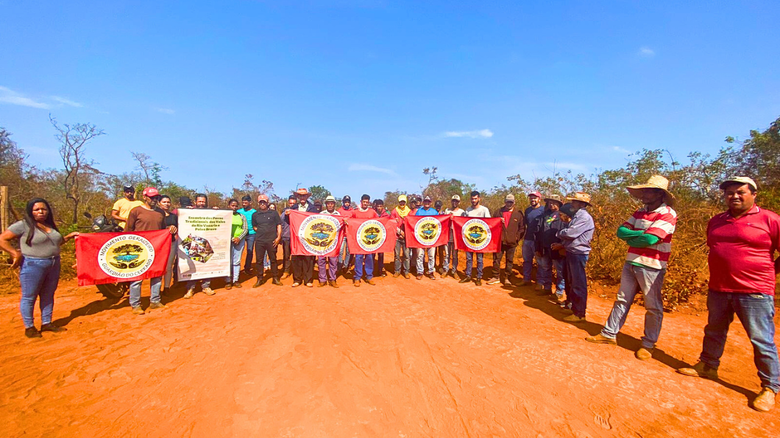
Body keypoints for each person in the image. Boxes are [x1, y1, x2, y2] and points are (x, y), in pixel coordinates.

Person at [677, 177, 780, 412]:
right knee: (714, 329)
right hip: (719, 288)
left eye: (740, 192)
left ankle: (770, 387)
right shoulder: (716, 221)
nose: (734, 196)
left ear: (754, 194)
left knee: (761, 340)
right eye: (729, 193)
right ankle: (708, 365)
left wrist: (769, 271)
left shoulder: (770, 219)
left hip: (755, 291)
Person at [586, 176, 678, 361]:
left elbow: (650, 240)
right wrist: (643, 233)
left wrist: (637, 236)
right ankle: (609, 333)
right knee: (622, 299)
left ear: (660, 194)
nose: (644, 194)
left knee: (653, 306)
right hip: (631, 261)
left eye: (648, 190)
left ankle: (648, 344)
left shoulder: (668, 213)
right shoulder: (639, 212)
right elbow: (621, 231)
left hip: (652, 266)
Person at [0, 198, 79, 337]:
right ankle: (29, 327)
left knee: (48, 295)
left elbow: (56, 243)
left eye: (44, 209)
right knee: (29, 297)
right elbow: (2, 239)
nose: (41, 212)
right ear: (31, 211)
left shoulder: (50, 226)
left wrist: (69, 236)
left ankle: (46, 323)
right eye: (37, 209)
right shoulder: (23, 225)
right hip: (33, 265)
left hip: (54, 264)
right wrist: (14, 252)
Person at [125, 187, 177, 314]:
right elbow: (128, 231)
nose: (154, 200)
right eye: (151, 197)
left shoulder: (160, 213)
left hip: (157, 248)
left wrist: (169, 228)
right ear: (144, 197)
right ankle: (136, 305)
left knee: (157, 275)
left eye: (156, 197)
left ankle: (155, 301)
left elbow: (162, 229)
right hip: (139, 249)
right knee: (137, 277)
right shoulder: (136, 211)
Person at [555, 192, 595, 323]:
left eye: (574, 201)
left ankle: (579, 313)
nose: (572, 204)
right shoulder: (577, 216)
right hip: (572, 252)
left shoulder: (584, 217)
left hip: (578, 253)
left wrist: (560, 233)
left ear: (582, 204)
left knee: (578, 283)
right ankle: (573, 307)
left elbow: (571, 233)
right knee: (571, 281)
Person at [488, 194, 525, 285]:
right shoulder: (498, 212)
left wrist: (517, 238)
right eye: (507, 202)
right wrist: (498, 221)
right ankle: (495, 276)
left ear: (514, 202)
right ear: (505, 202)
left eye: (511, 202)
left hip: (512, 242)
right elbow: (491, 225)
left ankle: (507, 277)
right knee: (496, 259)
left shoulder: (518, 214)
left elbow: (522, 228)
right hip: (499, 241)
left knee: (510, 260)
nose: (509, 204)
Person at [184, 193, 217, 298]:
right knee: (192, 265)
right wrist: (186, 210)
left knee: (206, 263)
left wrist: (217, 212)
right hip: (193, 241)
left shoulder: (210, 212)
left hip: (206, 241)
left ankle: (206, 286)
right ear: (195, 202)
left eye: (203, 201)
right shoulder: (189, 211)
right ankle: (191, 288)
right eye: (200, 201)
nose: (202, 203)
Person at [534, 195, 566, 299]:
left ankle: (559, 291)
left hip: (557, 248)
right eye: (550, 203)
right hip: (545, 247)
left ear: (559, 204)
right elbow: (538, 232)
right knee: (546, 268)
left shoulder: (562, 216)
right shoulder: (544, 216)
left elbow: (566, 234)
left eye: (554, 203)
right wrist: (538, 247)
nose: (552, 205)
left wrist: (562, 246)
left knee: (560, 271)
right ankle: (547, 288)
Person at [459, 191, 491, 286]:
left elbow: (489, 223)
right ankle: (468, 275)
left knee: (479, 259)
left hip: (481, 240)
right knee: (469, 258)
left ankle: (479, 277)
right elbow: (463, 222)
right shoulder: (468, 210)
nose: (473, 200)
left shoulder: (484, 210)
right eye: (472, 199)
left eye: (475, 198)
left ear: (479, 199)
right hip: (469, 239)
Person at [251, 194, 283, 287]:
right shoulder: (255, 214)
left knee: (273, 260)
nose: (262, 204)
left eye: (264, 202)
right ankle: (260, 279)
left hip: (272, 240)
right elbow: (254, 226)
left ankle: (275, 278)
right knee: (259, 260)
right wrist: (262, 231)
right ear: (258, 203)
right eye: (260, 202)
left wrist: (278, 237)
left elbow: (279, 225)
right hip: (260, 241)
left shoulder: (274, 213)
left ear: (267, 203)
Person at [289, 188, 318, 287]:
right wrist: (287, 214)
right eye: (300, 195)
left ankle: (308, 280)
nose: (302, 197)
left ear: (307, 197)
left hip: (308, 236)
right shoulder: (293, 208)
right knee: (296, 257)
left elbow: (316, 221)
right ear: (298, 197)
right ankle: (297, 279)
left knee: (308, 258)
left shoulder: (313, 208)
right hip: (296, 236)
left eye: (304, 195)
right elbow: (287, 220)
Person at [349, 194, 379, 287]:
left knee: (369, 258)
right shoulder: (355, 212)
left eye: (367, 202)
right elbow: (349, 220)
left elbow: (379, 222)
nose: (365, 203)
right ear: (361, 201)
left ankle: (369, 276)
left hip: (369, 240)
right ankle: (357, 277)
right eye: (364, 202)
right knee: (358, 258)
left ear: (369, 202)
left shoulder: (372, 212)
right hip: (358, 240)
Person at [224, 199, 248, 290]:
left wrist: (239, 238)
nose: (234, 207)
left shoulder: (242, 216)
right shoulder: (225, 217)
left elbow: (245, 229)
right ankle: (228, 281)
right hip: (227, 240)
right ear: (229, 206)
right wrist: (231, 238)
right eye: (232, 205)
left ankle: (235, 280)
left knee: (237, 261)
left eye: (236, 206)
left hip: (239, 241)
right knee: (228, 261)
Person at [521, 190, 545, 286]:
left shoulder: (544, 210)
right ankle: (526, 279)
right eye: (531, 198)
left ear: (539, 199)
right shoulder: (527, 210)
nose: (532, 199)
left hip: (538, 240)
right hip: (527, 239)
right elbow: (525, 224)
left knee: (540, 262)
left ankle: (540, 282)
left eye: (534, 198)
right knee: (527, 260)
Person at [413, 196, 439, 280]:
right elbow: (414, 222)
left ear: (430, 202)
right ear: (423, 202)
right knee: (420, 255)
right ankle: (420, 272)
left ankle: (431, 271)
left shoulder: (434, 212)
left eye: (428, 202)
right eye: (425, 201)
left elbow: (439, 223)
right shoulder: (419, 211)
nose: (427, 203)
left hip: (432, 238)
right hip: (421, 237)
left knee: (431, 256)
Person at [317, 196, 341, 287]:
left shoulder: (338, 214)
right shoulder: (321, 214)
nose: (330, 205)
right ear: (326, 204)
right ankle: (322, 279)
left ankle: (332, 279)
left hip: (333, 241)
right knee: (321, 260)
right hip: (322, 241)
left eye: (332, 203)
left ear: (334, 204)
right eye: (328, 203)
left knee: (333, 261)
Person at [159, 195, 179, 290]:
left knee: (169, 266)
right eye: (164, 202)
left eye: (168, 202)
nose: (166, 204)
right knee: (159, 267)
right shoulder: (156, 215)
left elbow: (179, 227)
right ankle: (156, 290)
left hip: (172, 243)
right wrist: (167, 229)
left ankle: (166, 287)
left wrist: (175, 229)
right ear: (159, 203)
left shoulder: (173, 216)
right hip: (159, 245)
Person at [390, 194, 412, 279]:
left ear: (405, 202)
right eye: (400, 202)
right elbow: (391, 224)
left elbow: (411, 224)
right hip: (397, 237)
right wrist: (399, 232)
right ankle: (397, 271)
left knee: (406, 255)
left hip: (406, 237)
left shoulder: (409, 211)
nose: (402, 203)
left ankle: (406, 271)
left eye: (403, 202)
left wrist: (405, 233)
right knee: (397, 255)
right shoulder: (394, 211)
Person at [442, 194, 464, 278]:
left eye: (456, 201)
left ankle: (454, 271)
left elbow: (463, 223)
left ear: (459, 202)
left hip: (456, 235)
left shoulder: (462, 212)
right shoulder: (447, 210)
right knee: (447, 254)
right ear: (451, 201)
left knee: (455, 255)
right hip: (447, 234)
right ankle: (445, 270)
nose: (455, 202)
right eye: (453, 201)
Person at [279, 195, 297, 278]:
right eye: (290, 203)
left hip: (297, 238)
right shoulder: (284, 213)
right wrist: (280, 236)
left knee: (297, 256)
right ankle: (286, 271)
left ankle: (296, 271)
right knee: (286, 255)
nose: (292, 205)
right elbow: (280, 224)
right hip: (287, 237)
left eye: (293, 203)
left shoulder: (299, 212)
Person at [238, 195, 257, 274]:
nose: (244, 204)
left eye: (246, 203)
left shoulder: (254, 212)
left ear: (250, 202)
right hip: (241, 234)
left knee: (250, 251)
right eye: (243, 203)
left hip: (251, 234)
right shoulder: (239, 211)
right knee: (239, 251)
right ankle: (236, 269)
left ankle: (247, 268)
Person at [373, 199, 390, 277]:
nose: (379, 208)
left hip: (382, 237)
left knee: (381, 255)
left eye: (380, 206)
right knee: (372, 254)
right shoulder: (373, 214)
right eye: (378, 206)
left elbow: (390, 223)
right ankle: (371, 270)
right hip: (374, 237)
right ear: (376, 206)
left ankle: (380, 269)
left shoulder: (386, 214)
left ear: (383, 206)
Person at [337, 195, 354, 274]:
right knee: (340, 251)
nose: (346, 203)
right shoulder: (339, 211)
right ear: (343, 202)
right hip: (342, 234)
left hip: (350, 234)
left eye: (348, 202)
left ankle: (346, 266)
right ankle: (339, 265)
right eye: (345, 202)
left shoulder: (352, 211)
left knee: (348, 251)